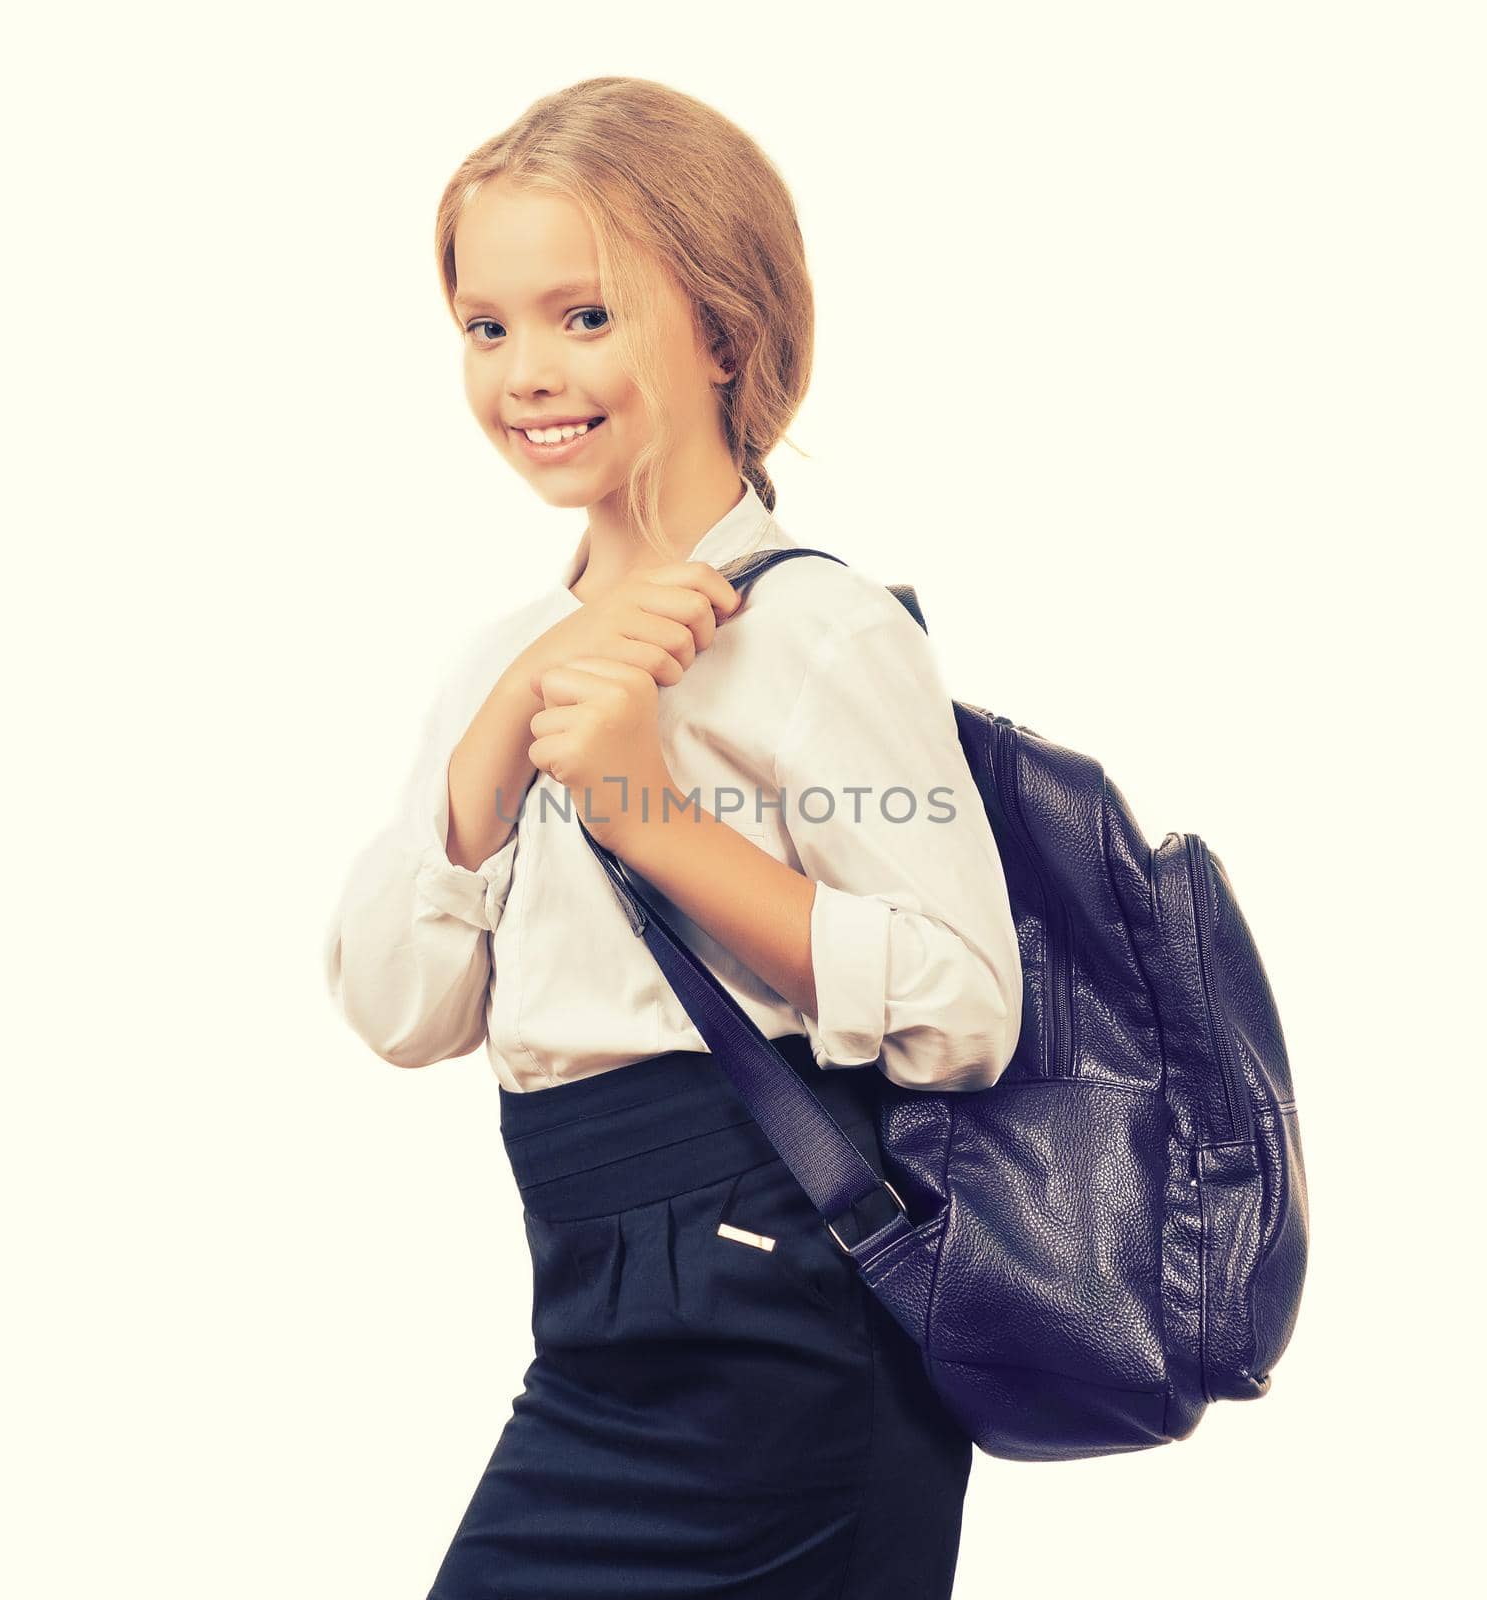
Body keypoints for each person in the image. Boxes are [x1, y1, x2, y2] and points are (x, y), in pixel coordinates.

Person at [323, 74, 1023, 1600]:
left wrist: (651, 813)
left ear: (722, 328)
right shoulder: (504, 658)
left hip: (783, 1323)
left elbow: (966, 1003)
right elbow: (398, 1010)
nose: (526, 372)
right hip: (589, 1317)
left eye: (585, 316)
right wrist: (509, 717)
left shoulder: (816, 631)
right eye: (486, 325)